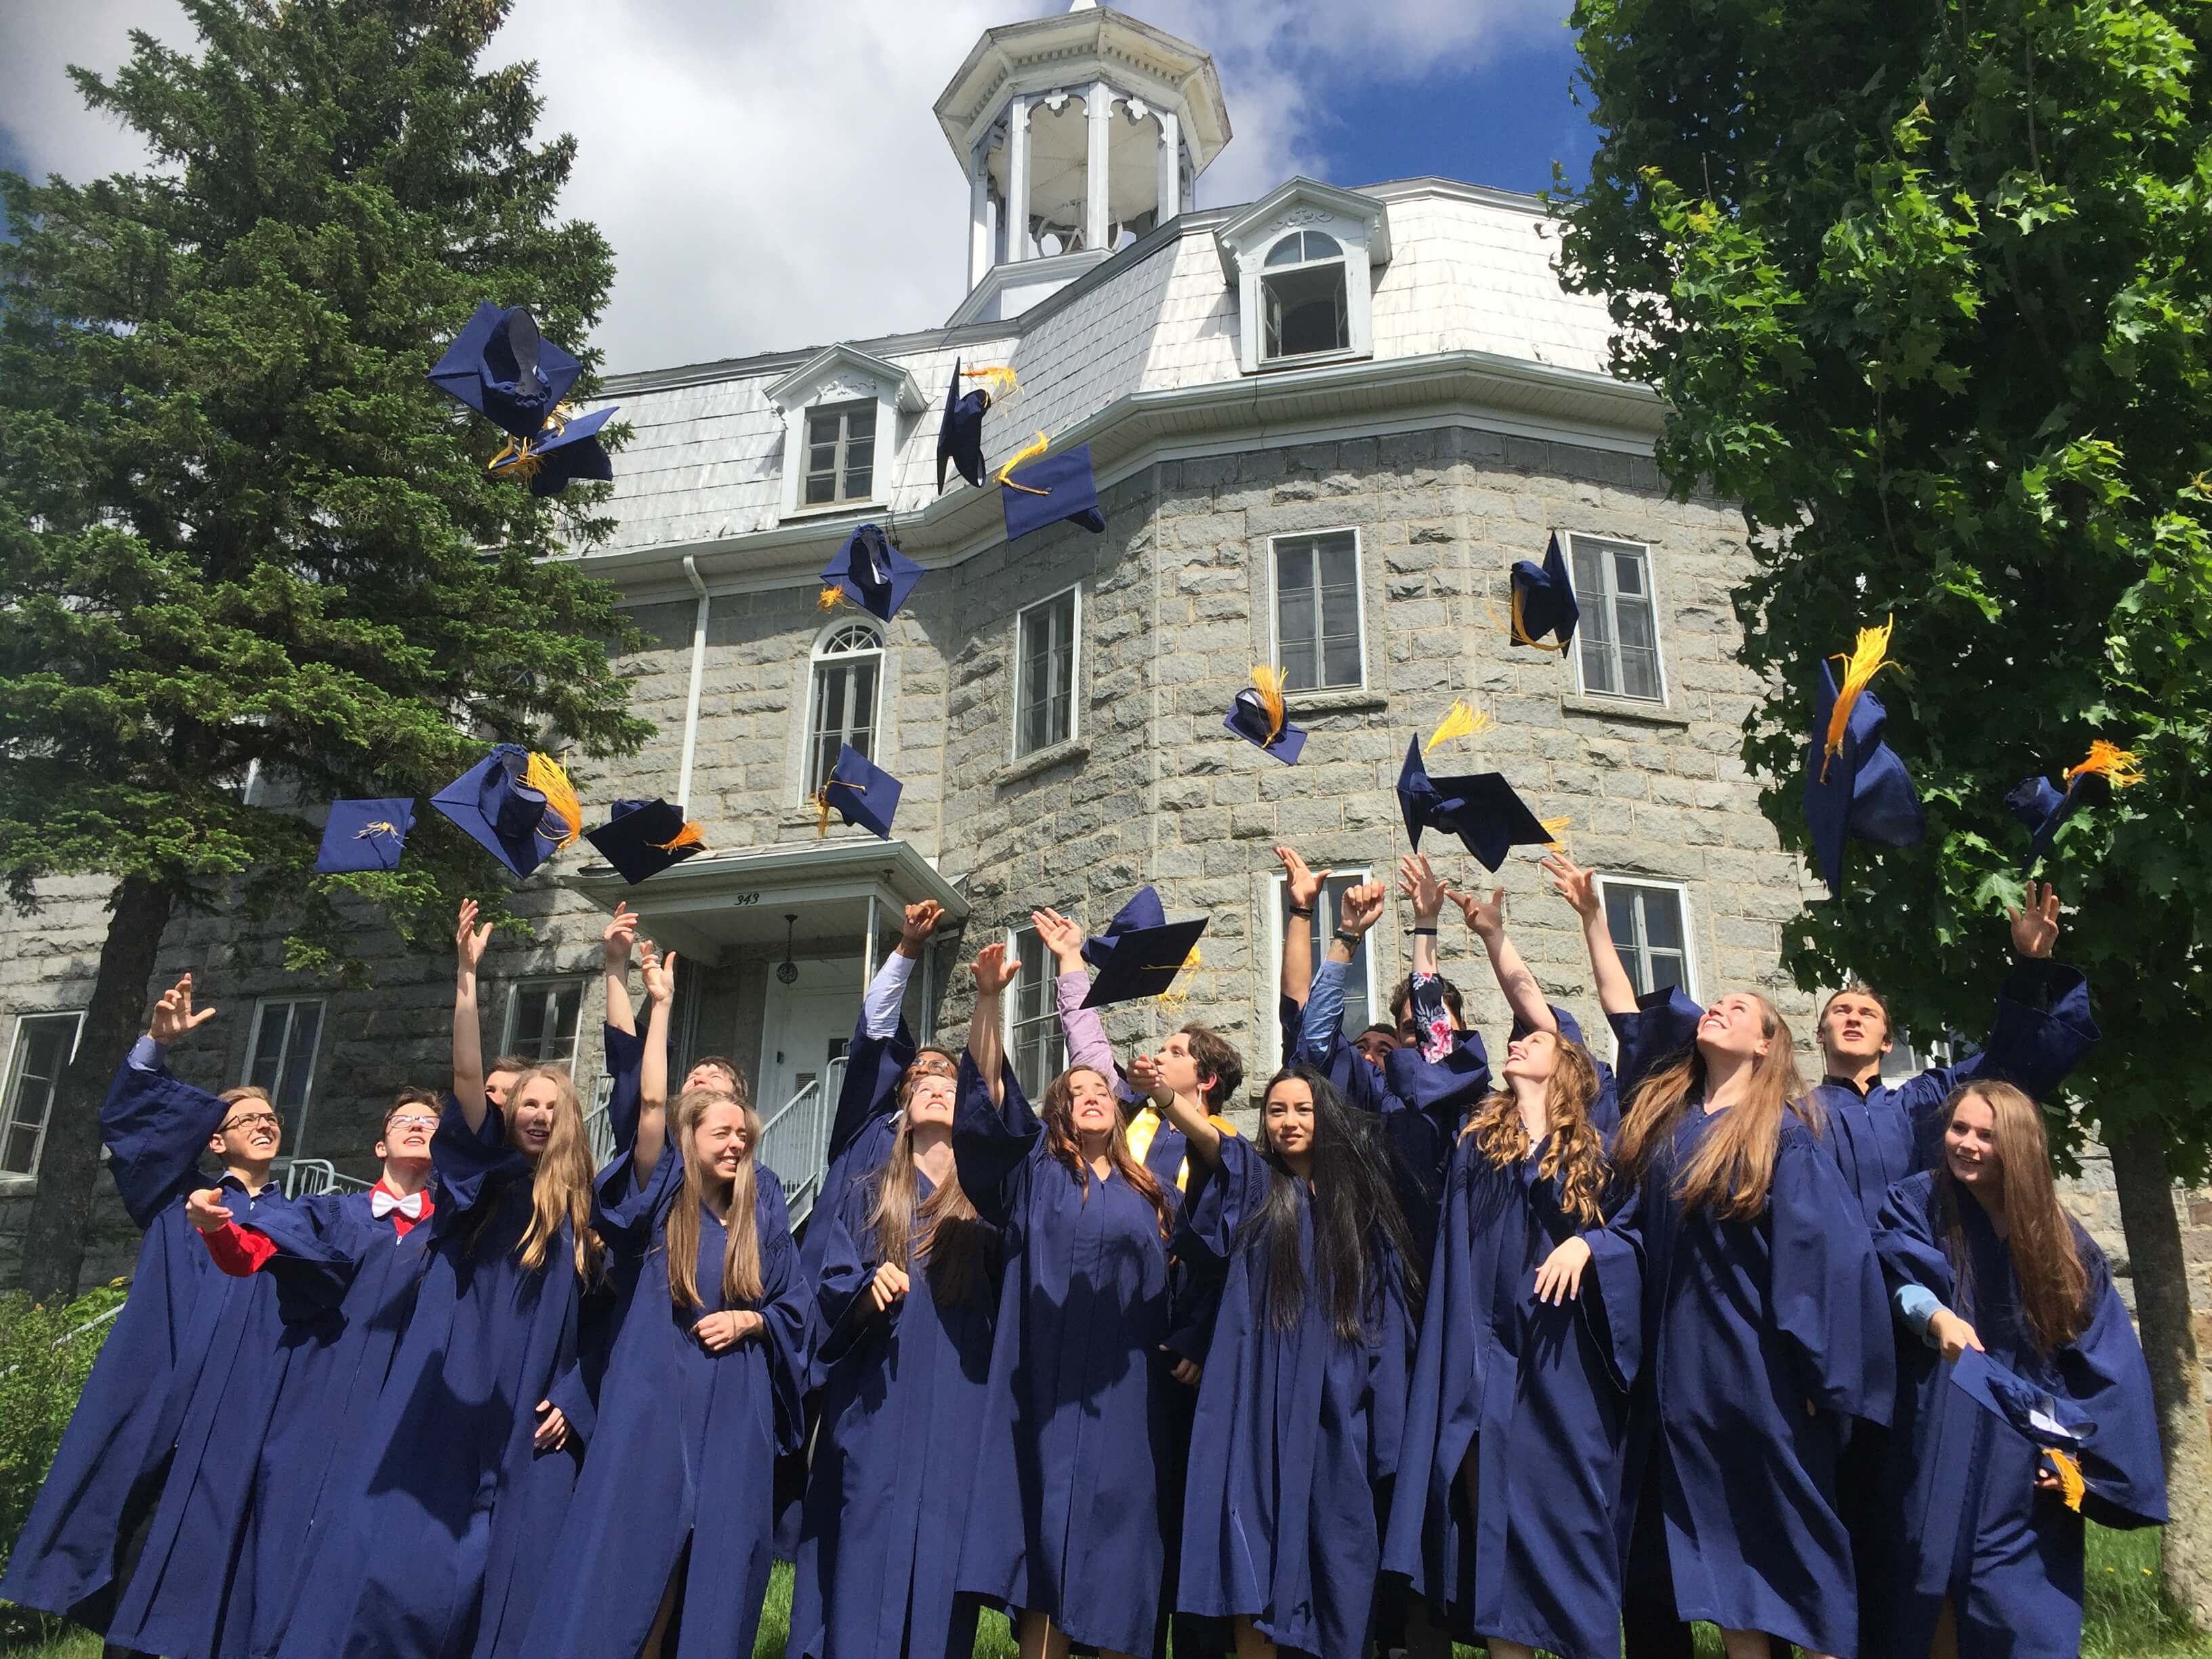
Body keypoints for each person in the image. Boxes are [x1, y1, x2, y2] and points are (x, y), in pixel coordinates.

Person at [1548, 856, 1893, 1659]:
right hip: (1689, 1376)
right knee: (1729, 1564)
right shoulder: (1672, 1130)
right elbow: (1638, 1228)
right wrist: (1590, 1242)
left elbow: (1823, 1261)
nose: (1719, 1008)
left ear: (1766, 1045)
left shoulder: (1783, 1134)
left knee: (1795, 1548)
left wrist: (1821, 1380)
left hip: (1764, 1372)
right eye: (1717, 1003)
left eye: (1739, 1008)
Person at [281, 899, 604, 1659]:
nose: (538, 1114)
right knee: (413, 1562)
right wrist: (466, 977)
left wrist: (575, 1394)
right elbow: (464, 1079)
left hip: (534, 1406)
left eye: (552, 1106)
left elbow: (603, 1326)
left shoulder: (589, 1216)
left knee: (508, 1573)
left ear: (569, 1120)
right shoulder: (482, 1183)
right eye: (527, 1102)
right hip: (460, 1383)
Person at [0, 975, 343, 1659]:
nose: (265, 1123)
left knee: (224, 1563)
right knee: (137, 1547)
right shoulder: (175, 1200)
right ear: (213, 1142)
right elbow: (133, 1129)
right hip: (165, 1403)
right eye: (247, 1118)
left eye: (271, 1117)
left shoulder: (306, 1219)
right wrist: (155, 1047)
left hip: (246, 1413)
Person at [523, 947, 808, 1658]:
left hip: (734, 1400)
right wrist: (657, 1001)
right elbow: (644, 1100)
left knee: (711, 1563)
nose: (736, 1142)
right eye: (721, 1130)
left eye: (743, 1132)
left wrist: (753, 1319)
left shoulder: (763, 1204)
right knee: (631, 1549)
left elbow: (794, 1303)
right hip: (654, 1393)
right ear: (688, 1129)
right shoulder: (660, 1194)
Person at [1874, 1081, 2165, 1658]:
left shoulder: (2062, 1241)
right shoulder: (1918, 1201)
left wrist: (2077, 1459)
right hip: (1933, 1420)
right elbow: (1893, 1270)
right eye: (1959, 1128)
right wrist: (1935, 1316)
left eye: (1987, 1135)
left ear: (2019, 1146)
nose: (1967, 1144)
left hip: (2021, 1442)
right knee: (1926, 1584)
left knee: (2018, 1605)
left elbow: (2101, 1363)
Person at [1383, 1017, 1637, 1659]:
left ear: (1570, 1064)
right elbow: (1430, 1068)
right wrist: (1426, 958)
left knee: (1574, 1518)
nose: (1516, 1042)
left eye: (1535, 1039)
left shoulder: (1597, 1145)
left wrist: (1591, 1244)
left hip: (1562, 1356)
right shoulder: (1479, 1141)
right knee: (1490, 1522)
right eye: (1516, 1039)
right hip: (1485, 1355)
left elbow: (1637, 1229)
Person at [955, 940, 1178, 1659]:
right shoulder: (1035, 1174)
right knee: (1046, 1541)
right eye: (1076, 1091)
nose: (1091, 1094)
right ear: (1058, 1112)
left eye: (1101, 1090)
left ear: (1119, 1106)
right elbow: (986, 1105)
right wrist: (988, 999)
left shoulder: (1153, 1193)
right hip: (1046, 1391)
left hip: (1130, 1399)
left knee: (1124, 1547)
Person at [1031, 899, 1241, 1659]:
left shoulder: (1223, 1146)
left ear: (1204, 1079)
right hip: (1106, 1331)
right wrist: (1069, 963)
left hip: (1174, 1345)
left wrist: (1198, 1337)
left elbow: (1223, 1255)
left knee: (1153, 1509)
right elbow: (1088, 1048)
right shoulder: (1125, 1120)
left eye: (1176, 1050)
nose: (1158, 1052)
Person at [1158, 1063, 1420, 1659]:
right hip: (1258, 1395)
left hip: (1340, 1398)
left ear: (1326, 1116)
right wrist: (1169, 1099)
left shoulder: (1360, 1205)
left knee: (1339, 1550)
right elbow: (1217, 1147)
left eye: (1303, 1109)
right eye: (1276, 1111)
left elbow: (1383, 1315)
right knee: (1253, 1550)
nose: (1289, 1122)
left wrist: (1382, 1411)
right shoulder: (1258, 1187)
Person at [790, 918, 998, 1659]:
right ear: (900, 1105)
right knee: (864, 1520)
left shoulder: (988, 1198)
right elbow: (835, 1272)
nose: (934, 1086)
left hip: (955, 1390)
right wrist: (864, 1289)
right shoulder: (870, 1176)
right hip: (877, 1383)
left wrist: (987, 1003)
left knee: (942, 1532)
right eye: (921, 1081)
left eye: (948, 1081)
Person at [188, 1087, 441, 1659]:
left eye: (431, 1123)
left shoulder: (455, 1233)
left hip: (400, 1410)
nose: (418, 1126)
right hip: (315, 1396)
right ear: (380, 1145)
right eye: (405, 1120)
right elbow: (252, 1252)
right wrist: (214, 1228)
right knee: (283, 1531)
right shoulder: (331, 1213)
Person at [1810, 882, 2097, 1227]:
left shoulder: (1928, 1099)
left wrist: (2032, 967)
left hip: (1928, 1254)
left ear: (1887, 1043)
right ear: (1820, 1035)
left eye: (1867, 1013)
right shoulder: (1794, 1119)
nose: (1854, 1018)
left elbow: (2006, 1059)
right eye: (1841, 1011)